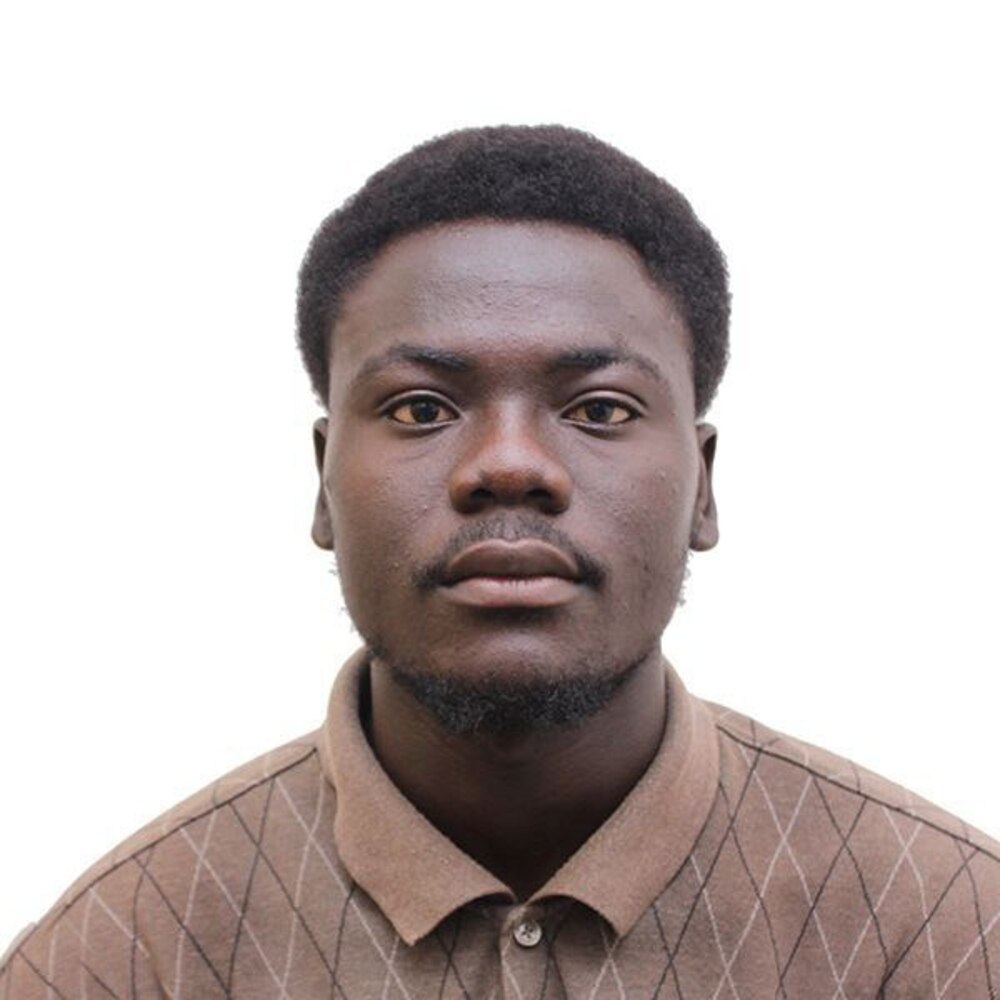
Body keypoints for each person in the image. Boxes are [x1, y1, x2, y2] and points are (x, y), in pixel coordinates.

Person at [2, 125, 997, 999]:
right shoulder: (119, 960)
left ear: (701, 487)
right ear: (323, 484)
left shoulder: (950, 937)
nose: (509, 465)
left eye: (599, 408)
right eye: (420, 408)